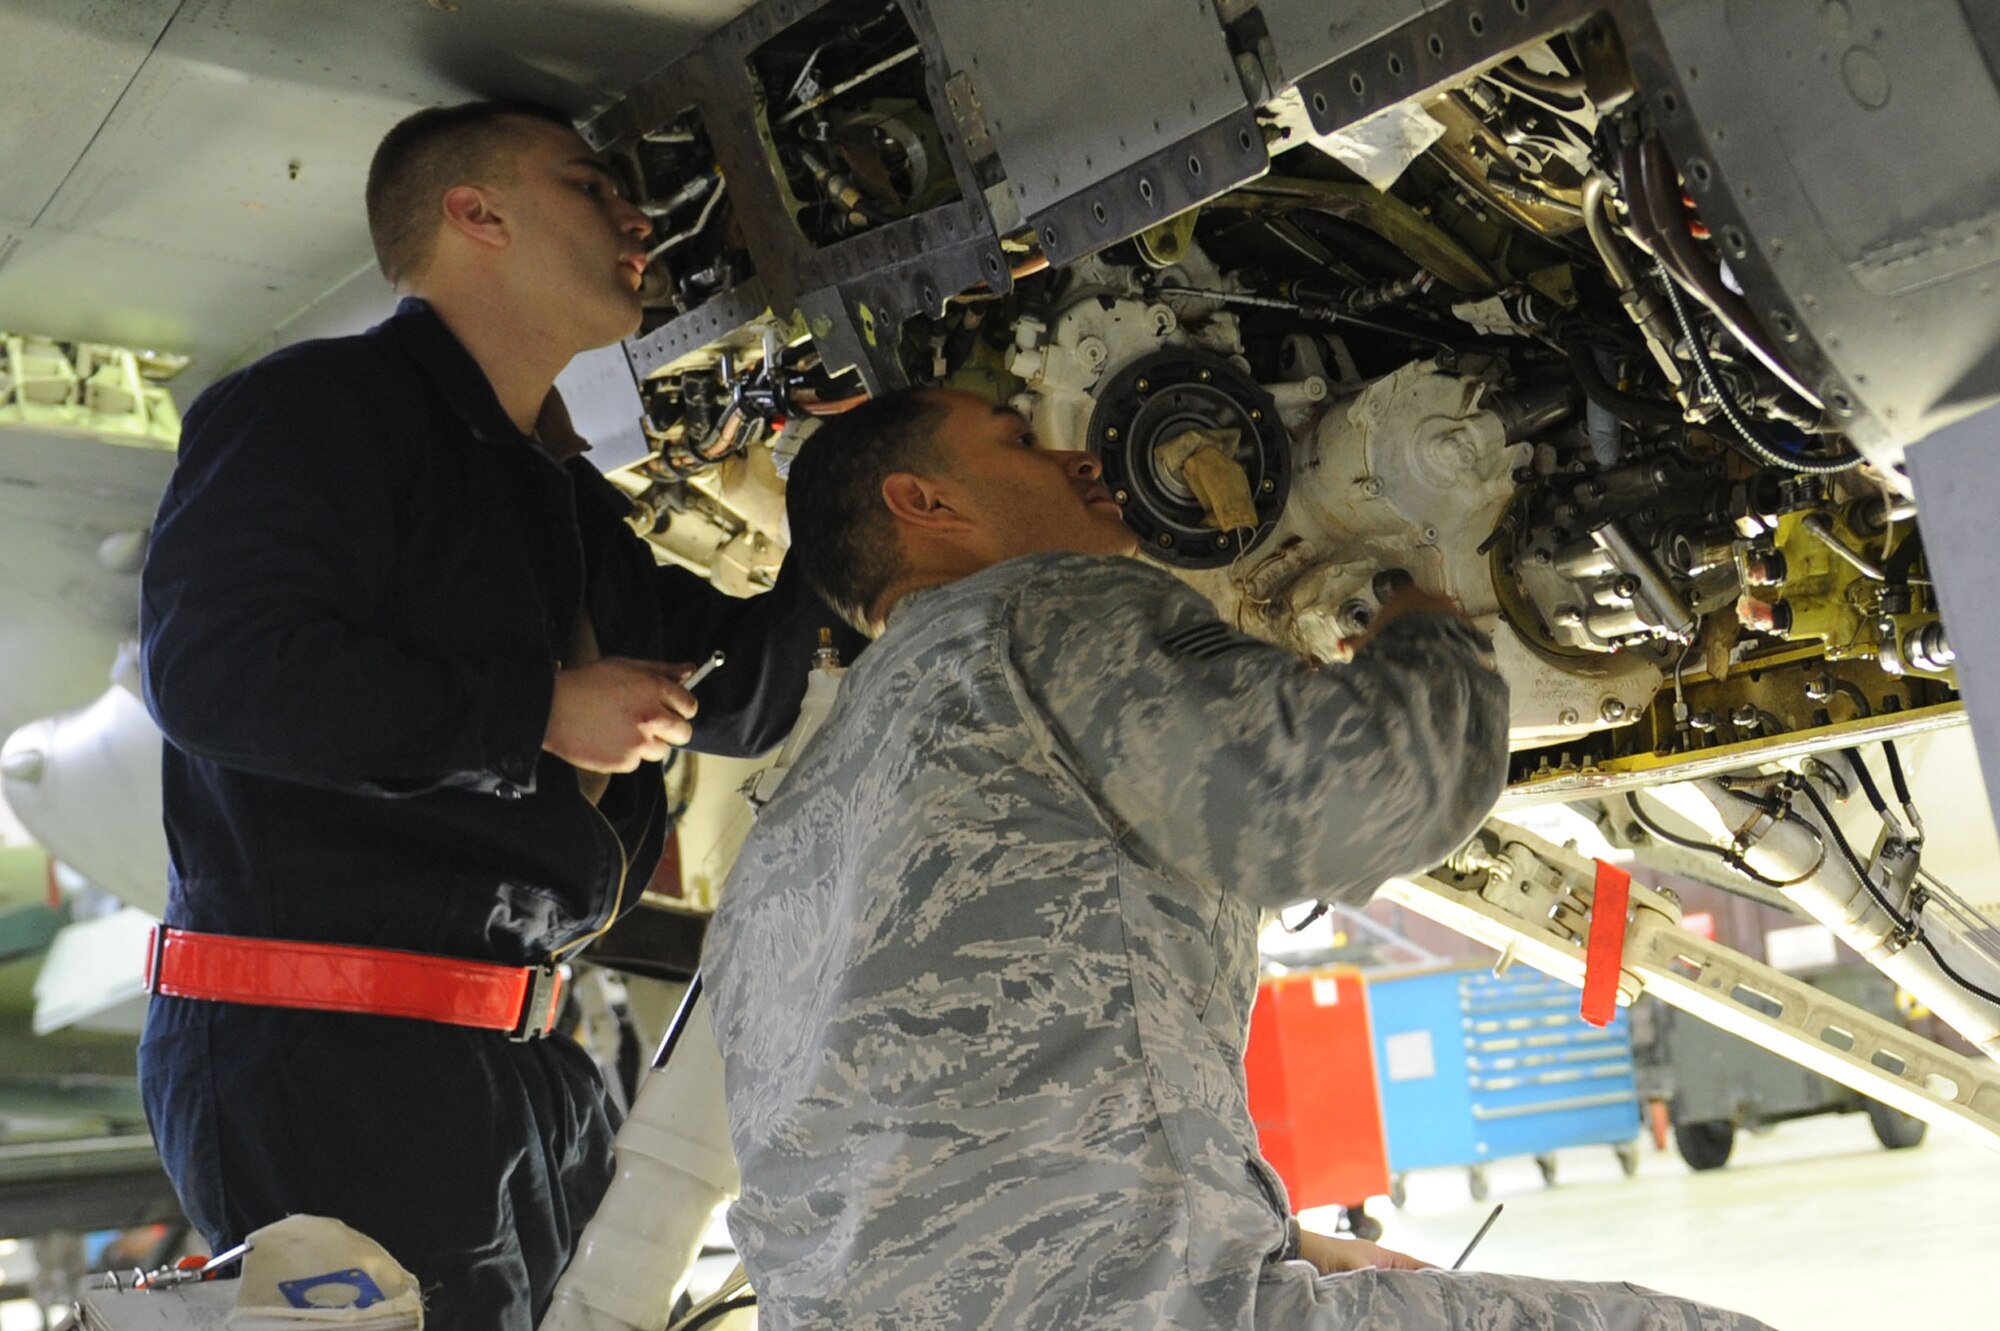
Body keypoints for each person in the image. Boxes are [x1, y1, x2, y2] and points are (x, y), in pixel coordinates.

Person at [705, 389, 1778, 1330]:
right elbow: (1364, 792)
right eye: (1018, 439)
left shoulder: (787, 823)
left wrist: (1288, 1243)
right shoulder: (1032, 615)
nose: (1079, 456)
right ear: (922, 504)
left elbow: (944, 1145)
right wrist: (1423, 623)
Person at [137, 100, 854, 1330]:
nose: (637, 219)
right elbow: (215, 670)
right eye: (589, 188)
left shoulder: (549, 489)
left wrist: (863, 499)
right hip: (330, 1052)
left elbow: (721, 692)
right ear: (476, 215)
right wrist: (535, 711)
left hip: (510, 1056)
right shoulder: (313, 408)